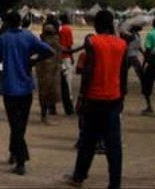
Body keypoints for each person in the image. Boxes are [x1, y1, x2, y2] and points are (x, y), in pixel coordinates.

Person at [65, 10, 127, 189]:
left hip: (94, 98)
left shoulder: (92, 42)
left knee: (87, 141)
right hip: (114, 98)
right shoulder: (122, 44)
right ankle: (114, 183)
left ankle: (79, 177)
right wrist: (122, 96)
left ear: (98, 24)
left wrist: (81, 97)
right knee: (114, 145)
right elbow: (123, 73)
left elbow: (88, 72)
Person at [0, 11, 53, 175]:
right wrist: (33, 60)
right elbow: (49, 51)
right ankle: (14, 152)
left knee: (15, 125)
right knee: (20, 125)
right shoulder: (28, 36)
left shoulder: (2, 39)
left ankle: (21, 161)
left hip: (10, 88)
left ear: (7, 23)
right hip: (26, 87)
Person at [37, 15, 61, 124]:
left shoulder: (43, 43)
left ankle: (45, 114)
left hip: (48, 71)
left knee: (46, 93)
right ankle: (44, 115)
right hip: (47, 71)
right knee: (46, 93)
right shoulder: (51, 43)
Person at [59, 14, 76, 115]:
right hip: (66, 56)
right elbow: (69, 45)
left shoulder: (60, 29)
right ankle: (69, 98)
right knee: (68, 79)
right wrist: (72, 57)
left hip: (59, 57)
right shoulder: (68, 29)